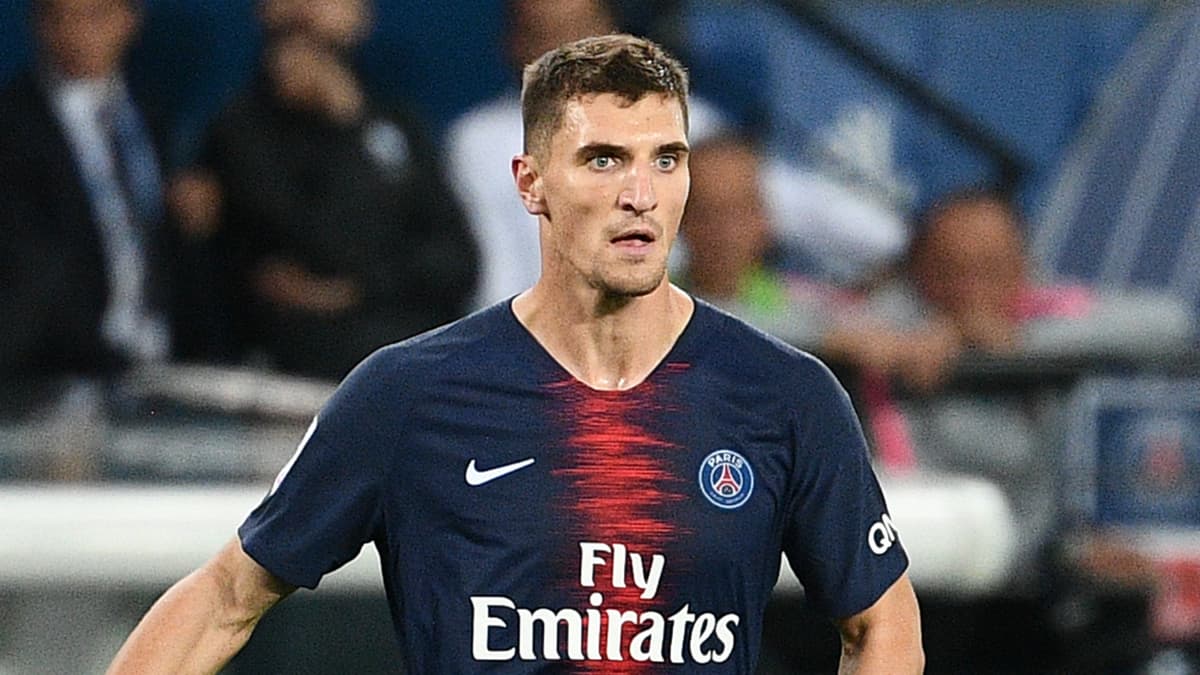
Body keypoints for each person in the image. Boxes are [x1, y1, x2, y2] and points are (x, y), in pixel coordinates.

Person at [108, 34, 923, 673]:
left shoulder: (783, 394)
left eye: (664, 160)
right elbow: (226, 595)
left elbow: (883, 622)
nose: (639, 193)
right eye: (603, 158)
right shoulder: (411, 395)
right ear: (530, 182)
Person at [183, 0, 478, 380]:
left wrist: (360, 288)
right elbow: (319, 249)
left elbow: (457, 263)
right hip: (290, 384)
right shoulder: (239, 131)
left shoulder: (396, 125)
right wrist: (343, 127)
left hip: (404, 376)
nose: (308, 10)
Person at [0, 0, 179, 379]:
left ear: (129, 21)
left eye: (94, 16)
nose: (74, 34)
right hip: (61, 367)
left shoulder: (148, 118)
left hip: (160, 359)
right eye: (56, 18)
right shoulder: (13, 128)